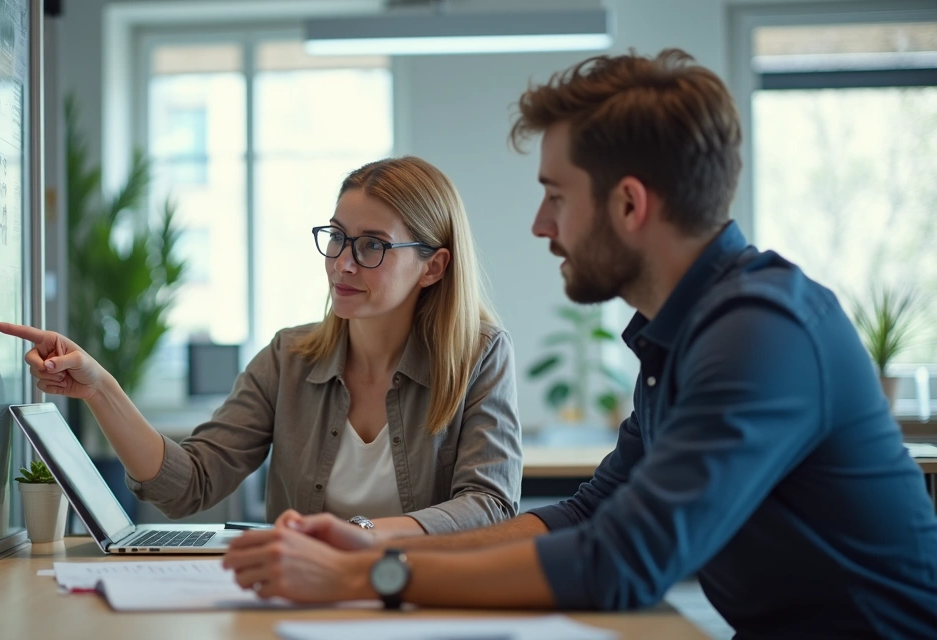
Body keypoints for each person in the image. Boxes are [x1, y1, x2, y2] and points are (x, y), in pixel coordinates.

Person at [221, 49, 937, 637]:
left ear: (629, 204)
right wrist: (382, 543)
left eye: (556, 196)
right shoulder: (686, 336)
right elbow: (592, 512)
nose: (540, 224)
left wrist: (366, 576)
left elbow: (622, 562)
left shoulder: (762, 333)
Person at [0, 155, 522, 537]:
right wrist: (100, 389)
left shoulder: (480, 355)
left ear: (433, 266)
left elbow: (490, 503)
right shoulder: (290, 358)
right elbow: (190, 484)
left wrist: (366, 534)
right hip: (302, 597)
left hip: (422, 599)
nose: (342, 263)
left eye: (371, 246)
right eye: (336, 237)